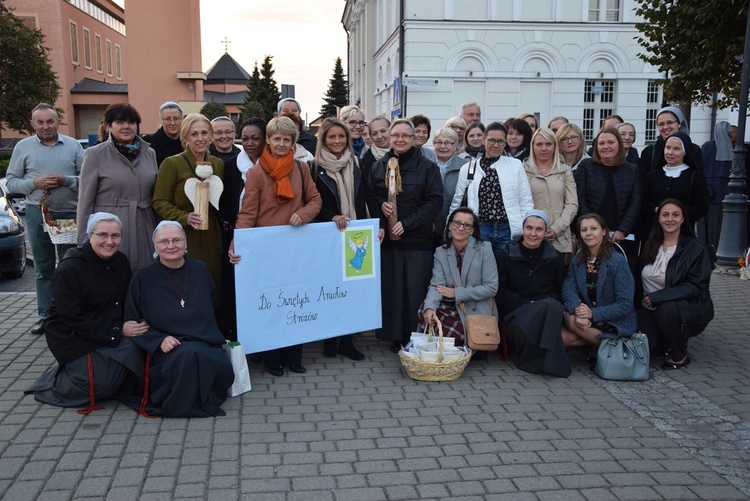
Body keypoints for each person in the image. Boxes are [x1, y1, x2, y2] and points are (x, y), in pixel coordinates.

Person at [229, 116, 322, 376]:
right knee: (272, 304)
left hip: (295, 250)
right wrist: (238, 242)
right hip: (266, 251)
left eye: (286, 139)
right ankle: (273, 359)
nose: (281, 143)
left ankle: (295, 357)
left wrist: (303, 215)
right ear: (268, 140)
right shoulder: (256, 173)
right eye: (276, 138)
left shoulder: (302, 169)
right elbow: (247, 214)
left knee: (295, 301)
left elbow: (315, 201)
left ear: (293, 142)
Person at [25, 213, 145, 413]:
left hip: (104, 330)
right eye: (103, 235)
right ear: (90, 235)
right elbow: (73, 318)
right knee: (100, 386)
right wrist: (118, 329)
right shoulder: (69, 268)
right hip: (73, 337)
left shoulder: (120, 261)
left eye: (116, 236)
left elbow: (126, 300)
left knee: (140, 350)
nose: (109, 241)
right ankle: (58, 380)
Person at [123, 221, 233, 417]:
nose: (171, 245)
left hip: (203, 338)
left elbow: (210, 299)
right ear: (155, 246)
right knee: (188, 356)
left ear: (185, 242)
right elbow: (132, 320)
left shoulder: (199, 269)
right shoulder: (143, 277)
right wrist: (158, 339)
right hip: (168, 345)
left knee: (207, 356)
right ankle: (183, 405)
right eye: (164, 241)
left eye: (176, 240)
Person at [366, 118, 443, 352]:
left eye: (405, 136)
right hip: (389, 242)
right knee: (393, 290)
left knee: (414, 291)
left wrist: (407, 223)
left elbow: (435, 200)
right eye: (395, 135)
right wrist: (381, 205)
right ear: (390, 138)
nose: (400, 140)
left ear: (414, 139)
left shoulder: (427, 167)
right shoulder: (380, 166)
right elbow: (370, 195)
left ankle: (416, 336)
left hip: (416, 240)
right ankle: (395, 336)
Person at [6, 103, 83, 335]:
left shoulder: (74, 146)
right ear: (33, 124)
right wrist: (34, 184)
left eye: (50, 121)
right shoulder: (23, 147)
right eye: (40, 122)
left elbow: (87, 179)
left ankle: (72, 315)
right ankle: (46, 317)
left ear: (58, 121)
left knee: (71, 267)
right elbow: (10, 182)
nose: (46, 126)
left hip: (69, 214)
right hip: (36, 214)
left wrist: (66, 180)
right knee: (43, 268)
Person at [312, 117, 378, 361]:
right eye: (332, 137)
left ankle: (348, 341)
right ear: (324, 140)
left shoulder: (358, 163)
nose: (338, 141)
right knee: (330, 289)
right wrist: (332, 216)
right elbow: (312, 203)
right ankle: (330, 339)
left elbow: (369, 197)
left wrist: (377, 224)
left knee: (352, 290)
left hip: (356, 235)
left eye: (341, 137)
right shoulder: (313, 167)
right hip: (328, 237)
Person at [153, 113, 225, 303]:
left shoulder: (218, 164)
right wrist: (184, 217)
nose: (200, 139)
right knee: (187, 287)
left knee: (213, 285)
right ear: (184, 138)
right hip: (185, 236)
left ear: (211, 135)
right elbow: (159, 201)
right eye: (194, 134)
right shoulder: (172, 163)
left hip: (211, 237)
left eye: (204, 133)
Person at [76, 103, 158, 271]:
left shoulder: (149, 153)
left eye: (131, 122)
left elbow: (154, 193)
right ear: (108, 127)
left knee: (144, 275)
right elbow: (85, 200)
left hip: (144, 226)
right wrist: (82, 239)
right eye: (120, 122)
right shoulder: (95, 154)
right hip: (110, 228)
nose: (126, 126)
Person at [637, 199, 714, 370]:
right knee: (646, 349)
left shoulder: (694, 249)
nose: (670, 219)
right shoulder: (651, 244)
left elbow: (695, 285)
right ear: (658, 219)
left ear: (683, 219)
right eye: (665, 215)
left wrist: (659, 297)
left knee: (667, 310)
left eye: (675, 215)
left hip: (683, 310)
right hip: (649, 309)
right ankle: (666, 341)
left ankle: (680, 355)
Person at [497, 210, 569, 377]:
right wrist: (528, 305)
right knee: (550, 306)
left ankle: (535, 362)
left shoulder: (555, 257)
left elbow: (559, 290)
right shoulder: (506, 255)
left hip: (546, 313)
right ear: (522, 229)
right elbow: (500, 292)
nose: (533, 234)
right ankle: (552, 363)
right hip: (516, 315)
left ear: (546, 232)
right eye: (529, 228)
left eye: (539, 229)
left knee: (552, 306)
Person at [449, 121, 533, 256]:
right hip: (481, 227)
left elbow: (525, 199)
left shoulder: (515, 165)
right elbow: (457, 200)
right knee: (480, 269)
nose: (496, 145)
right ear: (483, 140)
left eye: (500, 141)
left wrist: (524, 227)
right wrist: (450, 225)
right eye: (491, 140)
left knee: (505, 270)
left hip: (508, 228)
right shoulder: (469, 168)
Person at [217, 117, 267, 340]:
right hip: (238, 234)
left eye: (255, 138)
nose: (249, 143)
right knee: (238, 289)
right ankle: (238, 337)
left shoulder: (271, 164)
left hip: (265, 234)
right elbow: (226, 200)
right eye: (245, 138)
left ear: (264, 139)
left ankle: (261, 338)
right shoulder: (231, 165)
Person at [418, 207, 498, 346]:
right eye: (457, 223)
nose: (461, 228)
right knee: (424, 310)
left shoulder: (484, 248)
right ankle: (451, 347)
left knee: (455, 333)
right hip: (452, 305)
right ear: (450, 226)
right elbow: (436, 285)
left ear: (472, 230)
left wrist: (457, 293)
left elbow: (491, 288)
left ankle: (470, 345)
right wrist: (430, 307)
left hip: (475, 304)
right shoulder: (441, 252)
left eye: (467, 225)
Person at [561, 213, 637, 348]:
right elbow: (568, 287)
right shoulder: (577, 261)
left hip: (613, 320)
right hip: (585, 318)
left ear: (604, 231)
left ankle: (613, 347)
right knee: (564, 336)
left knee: (570, 321)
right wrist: (578, 310)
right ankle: (598, 349)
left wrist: (592, 314)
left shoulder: (617, 261)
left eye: (593, 228)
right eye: (584, 230)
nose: (588, 233)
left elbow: (625, 304)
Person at [574, 127, 642, 253]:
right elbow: (579, 198)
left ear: (619, 145)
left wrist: (623, 229)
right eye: (601, 143)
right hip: (590, 234)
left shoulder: (632, 169)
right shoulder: (586, 166)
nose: (606, 146)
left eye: (611, 142)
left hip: (620, 235)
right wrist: (591, 228)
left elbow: (636, 202)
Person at [642, 132, 709, 239]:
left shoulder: (696, 176)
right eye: (667, 148)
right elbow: (643, 202)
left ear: (685, 151)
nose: (670, 152)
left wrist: (677, 214)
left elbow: (701, 206)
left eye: (676, 149)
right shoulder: (652, 175)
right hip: (654, 235)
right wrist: (657, 210)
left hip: (684, 234)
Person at [524, 128, 578, 257]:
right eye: (539, 144)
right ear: (532, 146)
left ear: (555, 146)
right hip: (530, 237)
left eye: (548, 144)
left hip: (559, 238)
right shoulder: (523, 170)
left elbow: (572, 204)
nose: (544, 148)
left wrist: (556, 229)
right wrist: (534, 230)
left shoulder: (565, 171)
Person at [640, 106, 703, 178]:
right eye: (661, 124)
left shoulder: (694, 150)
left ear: (679, 124)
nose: (665, 127)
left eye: (669, 122)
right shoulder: (649, 152)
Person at [432, 128, 469, 243]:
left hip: (458, 228)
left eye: (448, 143)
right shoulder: (425, 165)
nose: (443, 146)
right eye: (439, 142)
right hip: (429, 228)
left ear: (456, 145)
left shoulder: (466, 167)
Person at [701, 121, 733, 246]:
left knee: (708, 222)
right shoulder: (732, 147)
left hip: (709, 187)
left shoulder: (707, 146)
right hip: (725, 188)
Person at [142, 101, 184, 167]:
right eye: (168, 119)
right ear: (161, 120)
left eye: (176, 118)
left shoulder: (188, 142)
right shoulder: (148, 143)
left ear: (182, 119)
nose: (172, 123)